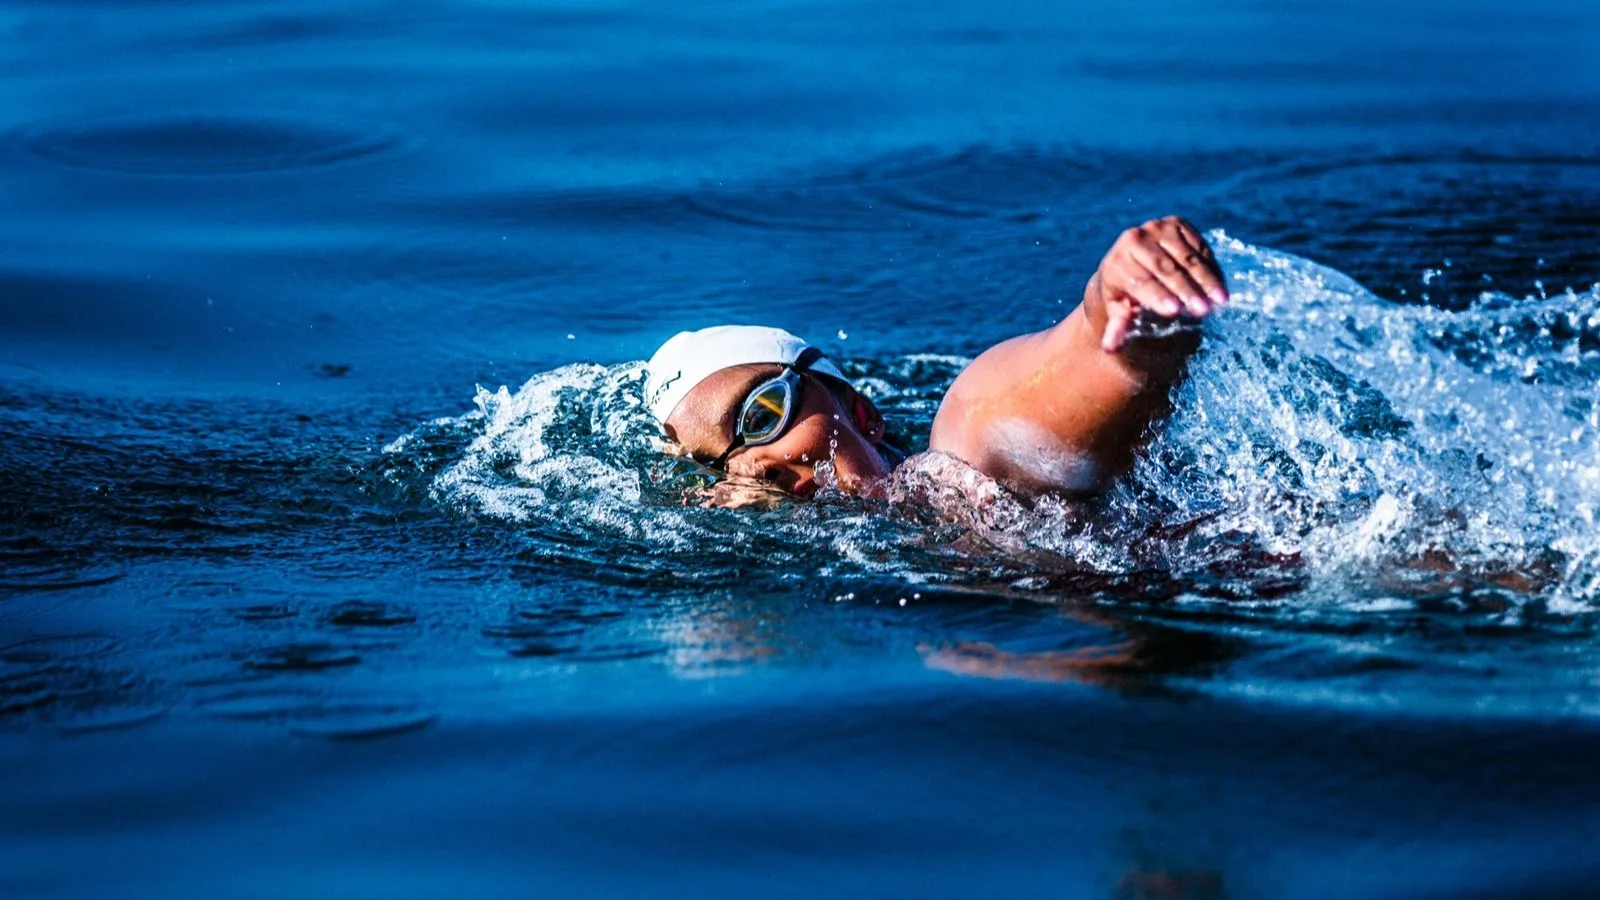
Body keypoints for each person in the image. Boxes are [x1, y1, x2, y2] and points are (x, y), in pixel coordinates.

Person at [643, 216, 1228, 504]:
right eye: (714, 467)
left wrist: (1124, 313)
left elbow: (1060, 380)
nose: (752, 466)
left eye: (761, 414)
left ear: (859, 411)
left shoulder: (962, 463)